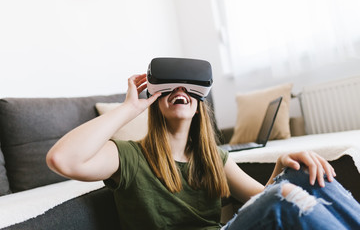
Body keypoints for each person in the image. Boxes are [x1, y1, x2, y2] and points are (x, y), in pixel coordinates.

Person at [46, 73, 360, 230]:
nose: (180, 91)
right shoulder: (128, 156)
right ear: (155, 104)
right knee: (286, 193)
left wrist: (281, 166)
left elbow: (263, 199)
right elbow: (62, 159)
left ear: (199, 106)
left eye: (189, 88)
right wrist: (129, 107)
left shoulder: (214, 159)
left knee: (302, 174)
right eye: (170, 88)